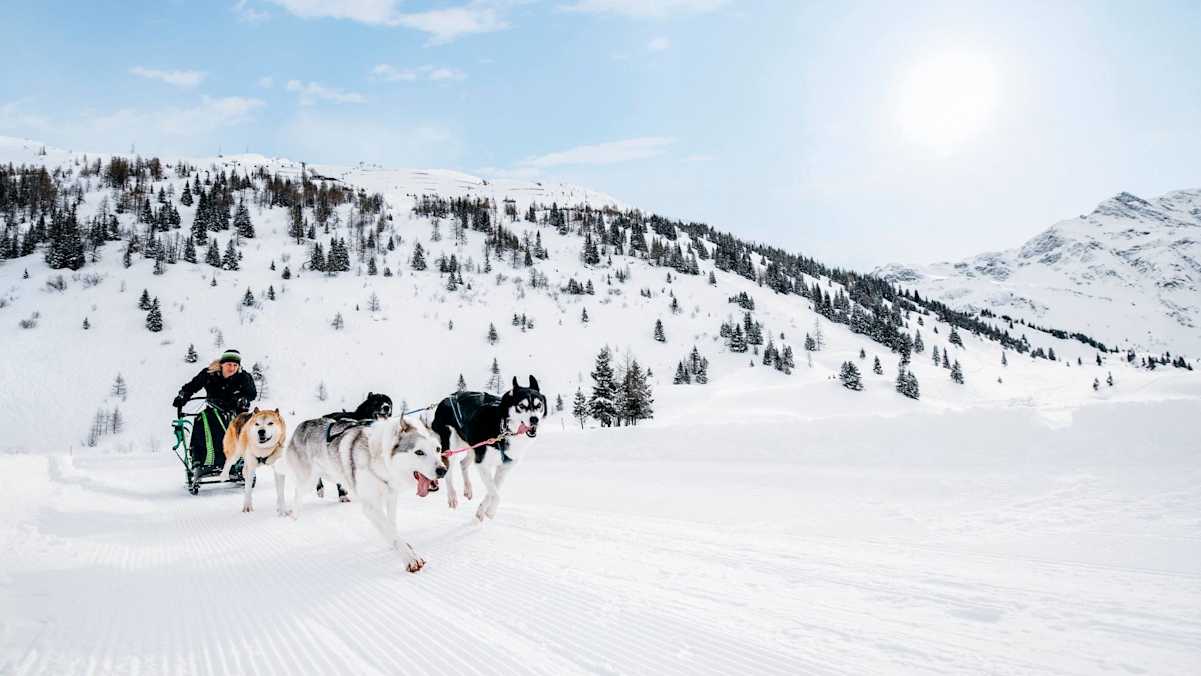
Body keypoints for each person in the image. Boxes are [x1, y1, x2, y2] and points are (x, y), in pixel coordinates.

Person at [172, 349, 257, 471]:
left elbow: (252, 394)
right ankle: (198, 459)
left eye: (235, 365)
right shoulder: (209, 374)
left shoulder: (243, 377)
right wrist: (182, 396)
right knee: (201, 422)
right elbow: (192, 386)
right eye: (229, 364)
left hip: (235, 411)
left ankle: (238, 459)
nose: (232, 368)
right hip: (213, 410)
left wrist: (242, 398)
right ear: (222, 364)